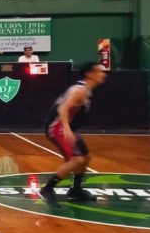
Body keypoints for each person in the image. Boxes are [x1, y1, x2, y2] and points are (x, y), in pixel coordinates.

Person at [38, 63, 108, 206]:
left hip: (67, 127)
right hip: (57, 127)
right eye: (100, 71)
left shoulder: (85, 89)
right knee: (77, 160)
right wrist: (66, 129)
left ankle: (76, 190)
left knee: (86, 157)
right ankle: (47, 189)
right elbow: (63, 108)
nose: (104, 74)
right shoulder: (79, 90)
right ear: (89, 74)